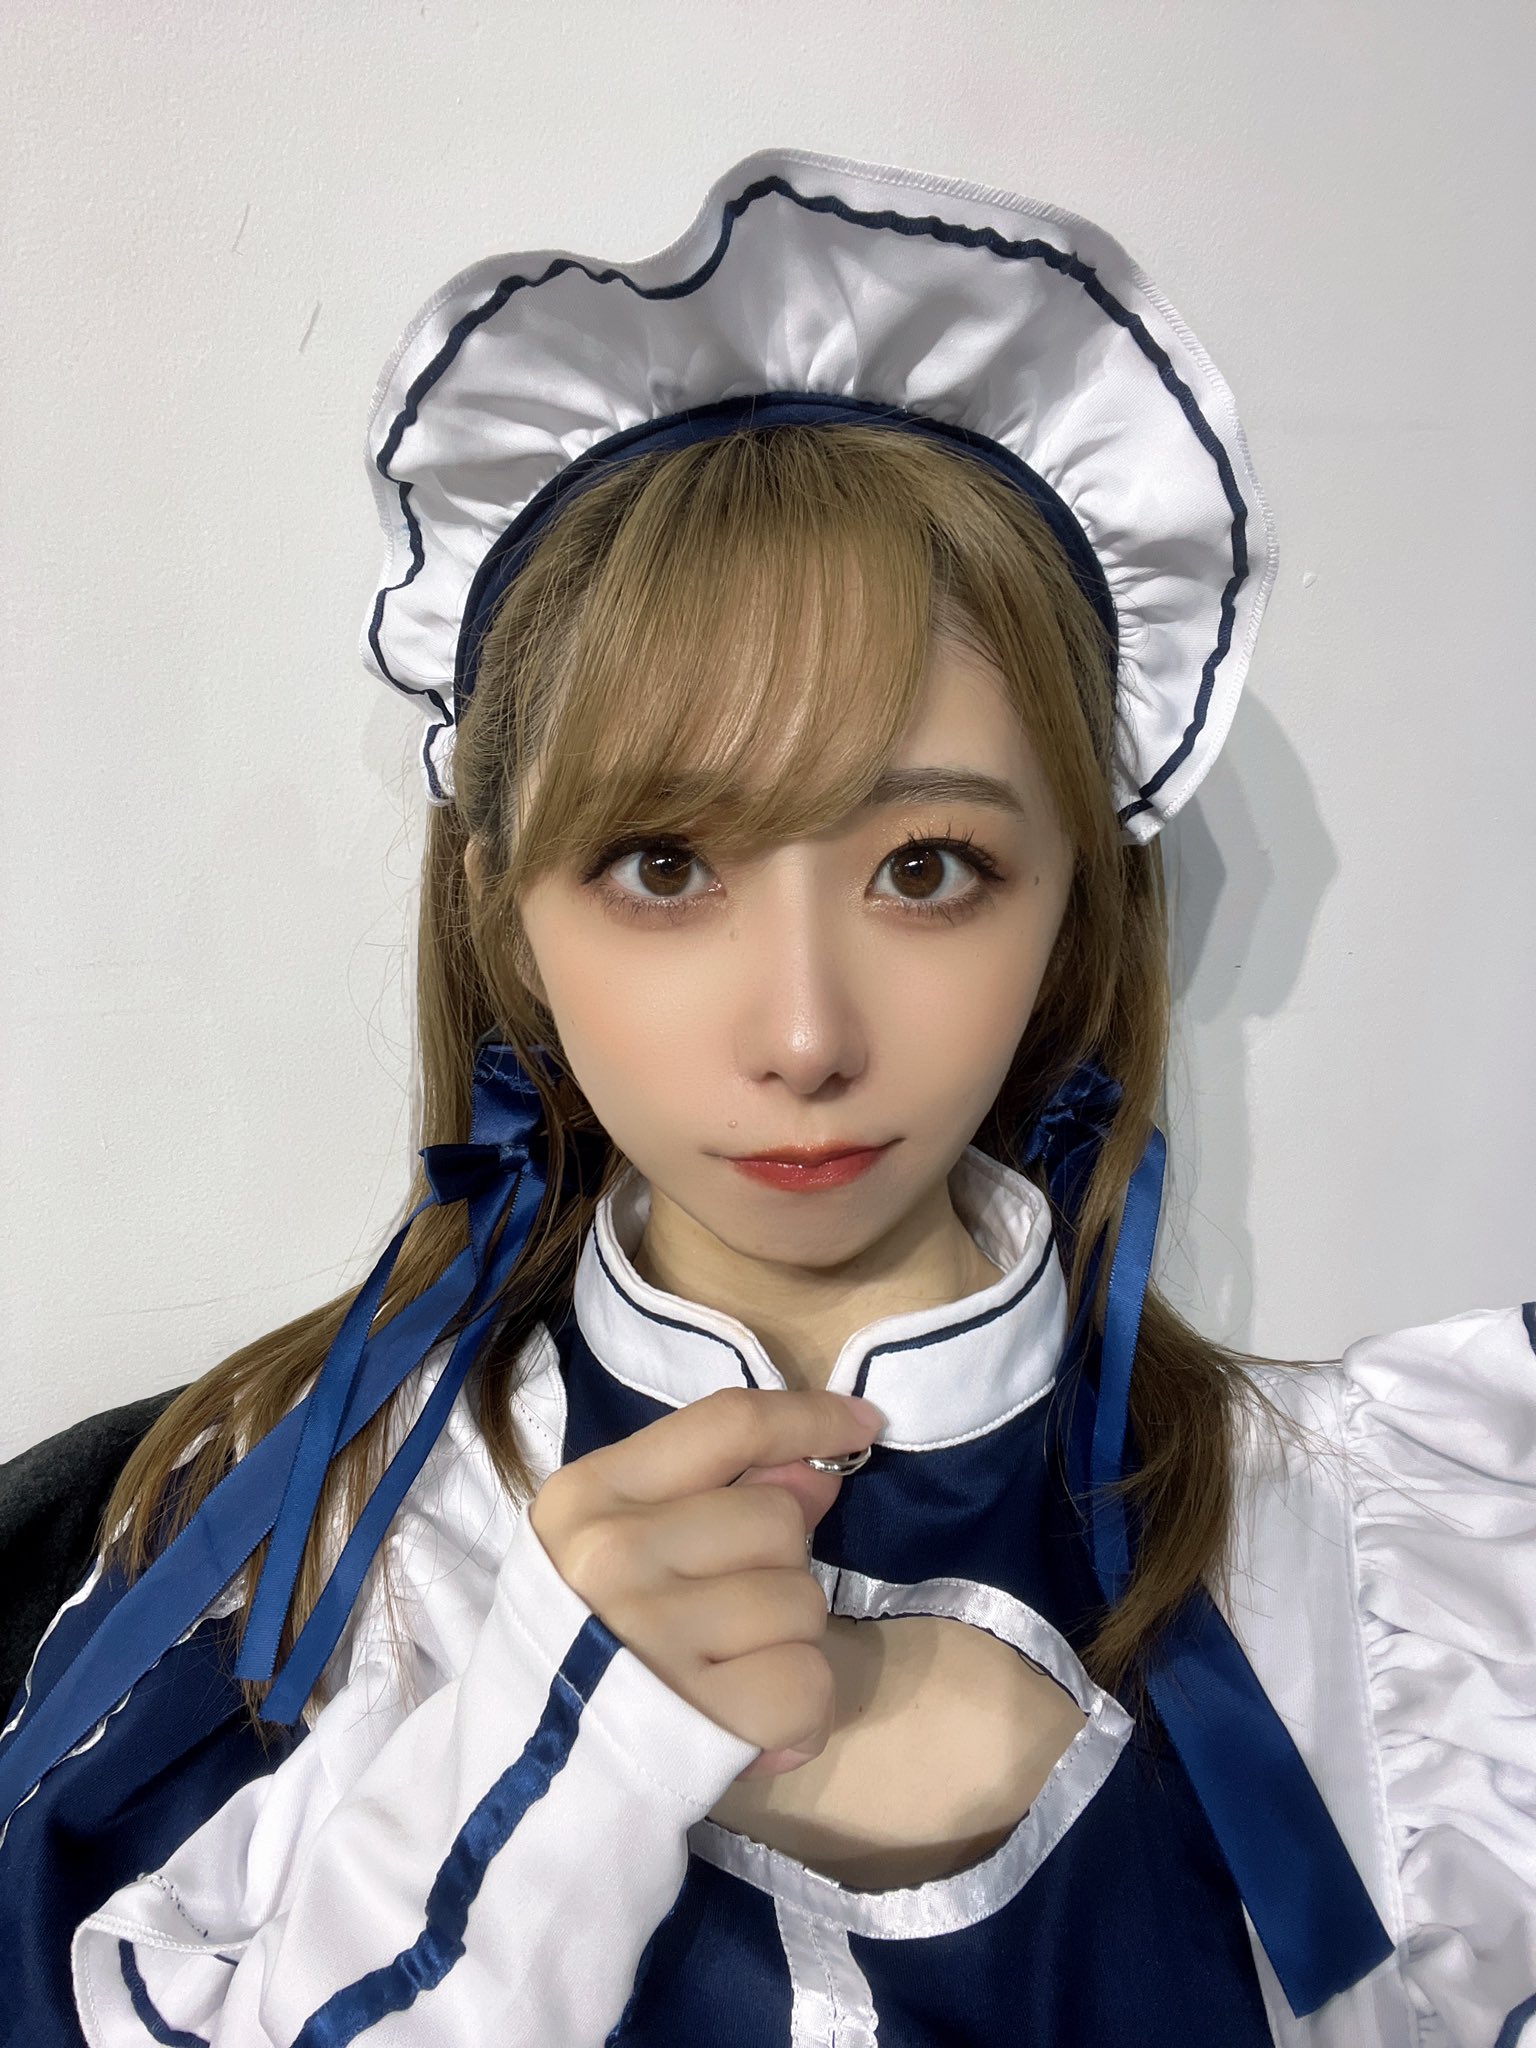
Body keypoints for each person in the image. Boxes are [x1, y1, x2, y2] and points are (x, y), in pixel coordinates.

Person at [1, 147, 1531, 2048]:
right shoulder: (289, 1548)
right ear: (499, 902)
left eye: (927, 869)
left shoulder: (1399, 1572)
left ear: (1077, 895)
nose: (805, 1036)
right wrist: (548, 1756)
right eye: (663, 866)